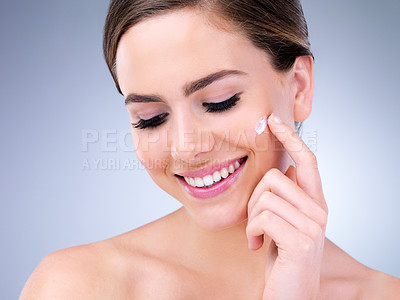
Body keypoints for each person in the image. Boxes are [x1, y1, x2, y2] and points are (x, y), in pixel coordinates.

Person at [20, 0, 400, 299]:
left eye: (220, 101)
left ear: (298, 86)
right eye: (151, 118)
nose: (187, 147)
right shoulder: (76, 287)